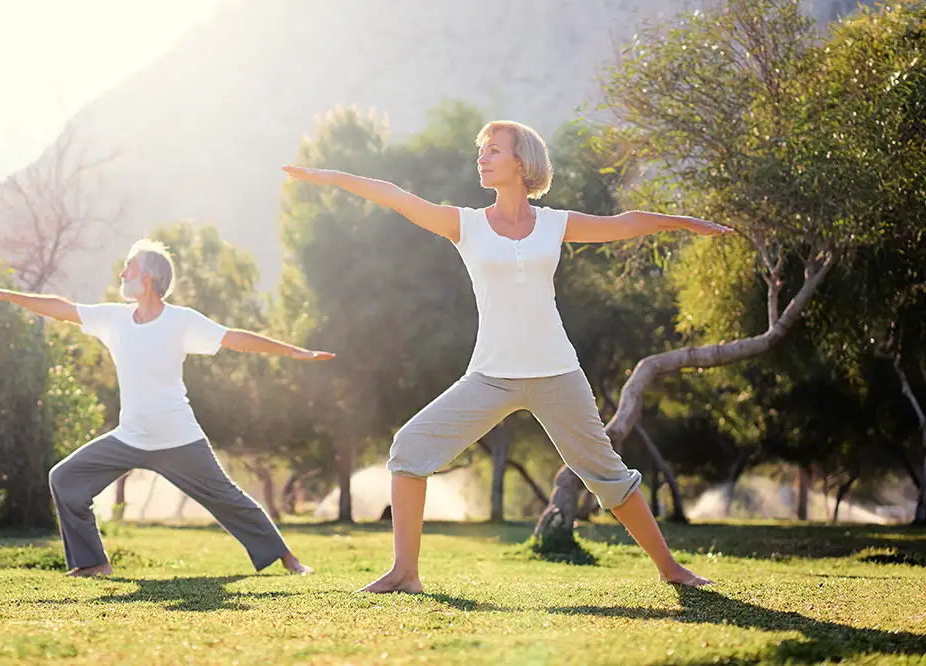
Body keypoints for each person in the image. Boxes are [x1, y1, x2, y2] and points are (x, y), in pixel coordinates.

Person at [283, 120, 732, 593]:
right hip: (490, 375)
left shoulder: (555, 224)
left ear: (522, 161)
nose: (482, 157)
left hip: (556, 372)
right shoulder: (466, 225)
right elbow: (395, 196)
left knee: (607, 475)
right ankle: (405, 573)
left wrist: (683, 222)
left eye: (494, 150)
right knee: (410, 450)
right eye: (481, 150)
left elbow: (626, 224)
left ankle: (671, 569)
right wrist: (331, 177)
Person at [0, 238, 334, 577]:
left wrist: (294, 352)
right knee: (64, 479)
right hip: (130, 437)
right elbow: (62, 309)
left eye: (130, 266)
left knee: (228, 498)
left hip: (178, 438)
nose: (122, 272)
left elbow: (234, 338)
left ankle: (290, 560)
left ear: (150, 277)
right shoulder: (114, 319)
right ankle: (93, 563)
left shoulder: (181, 320)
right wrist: (7, 296)